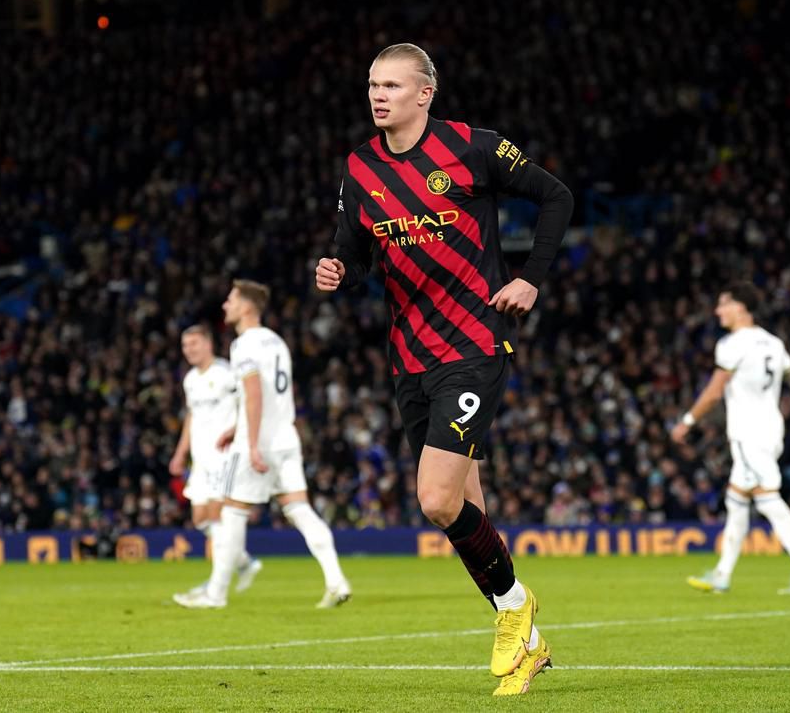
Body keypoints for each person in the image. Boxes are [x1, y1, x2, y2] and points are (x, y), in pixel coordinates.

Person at [315, 43, 573, 696]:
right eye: (373, 84)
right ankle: (531, 647)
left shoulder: (472, 146)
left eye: (393, 86)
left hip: (474, 345)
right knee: (462, 506)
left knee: (435, 499)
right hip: (410, 357)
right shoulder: (360, 168)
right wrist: (338, 271)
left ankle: (516, 608)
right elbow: (355, 256)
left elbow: (556, 196)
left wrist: (530, 280)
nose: (379, 96)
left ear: (425, 93)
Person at [176, 280, 351, 609]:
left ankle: (215, 594)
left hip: (258, 441)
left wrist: (251, 441)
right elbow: (274, 393)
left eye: (230, 300)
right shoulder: (277, 342)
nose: (225, 305)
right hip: (286, 436)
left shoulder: (244, 345)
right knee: (300, 509)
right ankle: (336, 581)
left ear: (245, 307)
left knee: (230, 512)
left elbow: (254, 391)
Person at [671, 282, 790, 595]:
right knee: (737, 499)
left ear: (740, 307)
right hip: (771, 429)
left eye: (722, 304)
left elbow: (715, 391)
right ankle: (722, 574)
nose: (717, 311)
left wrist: (686, 422)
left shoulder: (732, 344)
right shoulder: (772, 342)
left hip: (748, 433)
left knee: (768, 499)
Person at [170, 325, 261, 603]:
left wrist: (238, 434)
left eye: (194, 343)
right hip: (200, 459)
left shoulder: (225, 372)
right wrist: (180, 452)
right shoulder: (190, 380)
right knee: (200, 518)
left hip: (225, 455)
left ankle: (215, 586)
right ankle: (244, 562)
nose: (189, 350)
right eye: (185, 345)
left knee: (216, 515)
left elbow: (248, 402)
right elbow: (191, 417)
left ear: (208, 344)